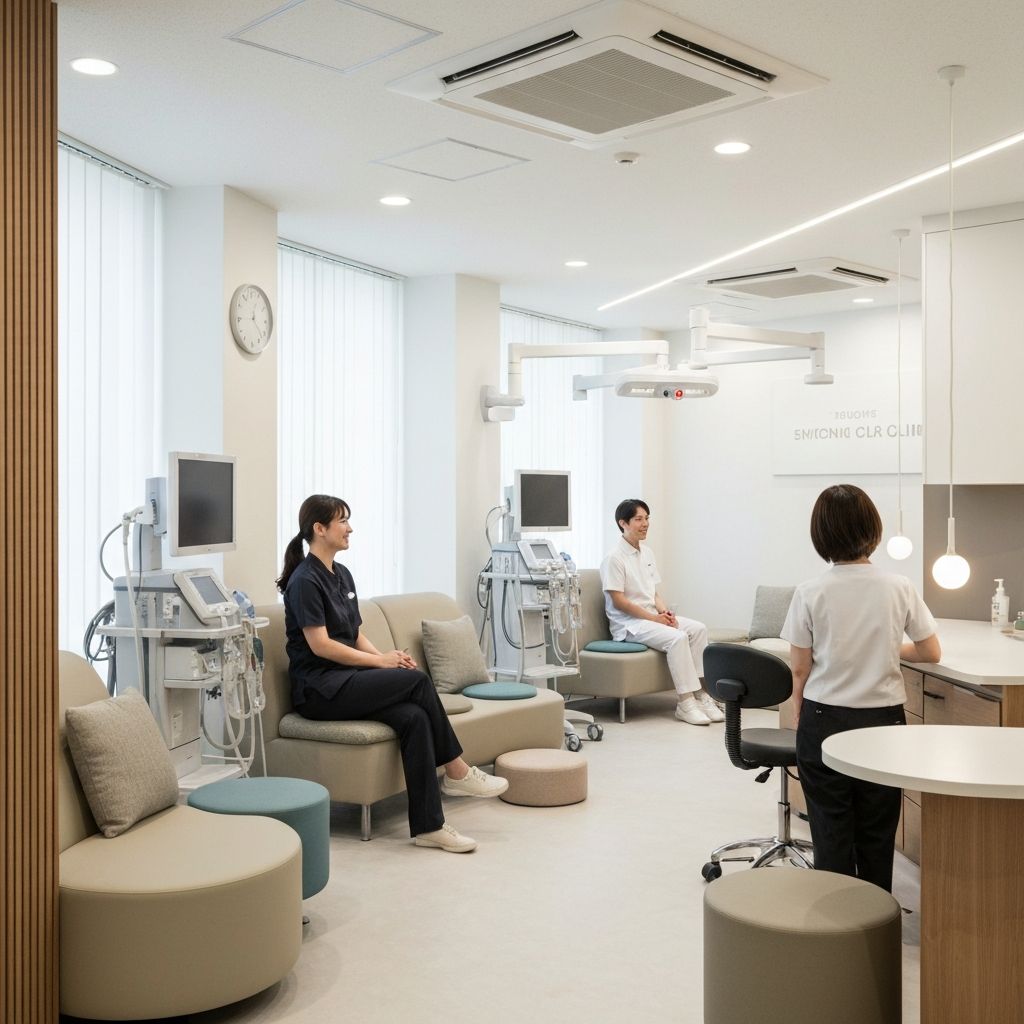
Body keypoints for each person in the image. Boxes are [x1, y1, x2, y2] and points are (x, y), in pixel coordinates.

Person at [276, 494, 508, 854]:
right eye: (342, 521)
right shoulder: (305, 580)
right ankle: (458, 770)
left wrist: (386, 656)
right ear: (319, 529)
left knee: (413, 717)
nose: (349, 528)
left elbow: (353, 634)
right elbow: (321, 646)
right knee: (416, 681)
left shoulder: (341, 574)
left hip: (347, 683)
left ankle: (429, 827)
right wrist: (379, 664)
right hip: (320, 690)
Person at [781, 484, 941, 892]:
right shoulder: (898, 586)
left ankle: (838, 931)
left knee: (830, 830)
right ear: (873, 529)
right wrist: (887, 646)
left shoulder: (810, 591)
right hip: (884, 722)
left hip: (824, 718)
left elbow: (800, 668)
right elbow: (930, 651)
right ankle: (876, 926)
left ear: (821, 535)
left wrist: (799, 712)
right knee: (877, 832)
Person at [600, 498, 721, 726]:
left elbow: (653, 592)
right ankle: (685, 703)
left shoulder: (647, 553)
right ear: (623, 523)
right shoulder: (613, 558)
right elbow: (618, 601)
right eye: (639, 519)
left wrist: (666, 613)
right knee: (678, 638)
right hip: (629, 625)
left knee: (698, 629)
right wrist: (655, 619)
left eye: (647, 518)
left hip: (651, 618)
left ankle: (701, 694)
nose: (645, 523)